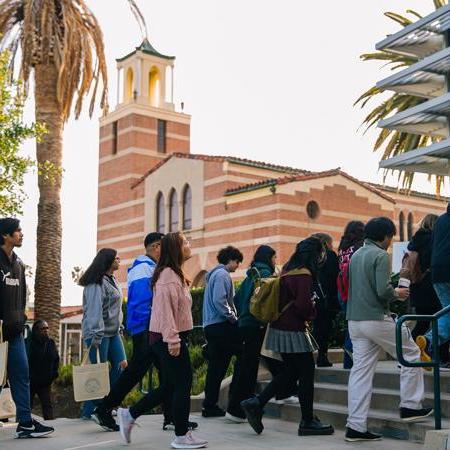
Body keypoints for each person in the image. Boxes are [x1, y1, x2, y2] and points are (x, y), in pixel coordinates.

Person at [92, 233, 196, 432]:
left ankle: (171, 417)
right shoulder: (143, 267)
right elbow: (142, 303)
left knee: (168, 376)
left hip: (154, 330)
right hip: (148, 330)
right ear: (156, 247)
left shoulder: (155, 268)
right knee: (137, 372)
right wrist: (157, 332)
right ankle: (105, 409)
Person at [116, 232, 208, 449]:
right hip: (168, 338)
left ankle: (129, 414)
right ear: (176, 248)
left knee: (170, 385)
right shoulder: (168, 275)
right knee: (183, 383)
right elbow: (165, 311)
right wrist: (173, 340)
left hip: (168, 337)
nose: (189, 244)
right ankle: (181, 435)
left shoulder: (173, 273)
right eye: (185, 242)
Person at [345, 217, 432, 442]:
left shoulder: (356, 255)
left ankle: (355, 426)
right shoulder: (380, 255)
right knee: (411, 353)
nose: (390, 241)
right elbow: (382, 291)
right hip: (376, 318)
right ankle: (411, 406)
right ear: (384, 236)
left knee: (360, 373)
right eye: (391, 237)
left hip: (354, 321)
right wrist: (398, 293)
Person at [241, 237, 334, 436]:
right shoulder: (303, 274)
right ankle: (307, 420)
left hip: (280, 327)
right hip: (293, 329)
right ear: (314, 254)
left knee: (290, 371)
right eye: (320, 252)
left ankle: (257, 403)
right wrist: (312, 313)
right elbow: (303, 306)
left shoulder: (289, 269)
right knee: (307, 373)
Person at [0, 218, 54, 438]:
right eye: (17, 231)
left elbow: (22, 296)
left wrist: (22, 318)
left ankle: (25, 423)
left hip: (15, 334)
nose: (21, 234)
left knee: (22, 375)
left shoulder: (18, 263)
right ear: (5, 235)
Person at [226, 245, 277, 421]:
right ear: (268, 258)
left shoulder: (250, 275)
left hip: (243, 324)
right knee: (249, 369)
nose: (275, 261)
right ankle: (238, 409)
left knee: (242, 366)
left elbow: (237, 300)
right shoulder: (265, 275)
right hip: (256, 325)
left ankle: (233, 407)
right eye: (274, 257)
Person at [80, 248, 127, 419]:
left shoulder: (112, 279)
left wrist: (119, 327)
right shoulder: (96, 283)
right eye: (116, 257)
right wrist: (96, 335)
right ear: (107, 261)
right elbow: (94, 310)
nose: (119, 259)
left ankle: (105, 404)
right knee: (99, 373)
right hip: (97, 333)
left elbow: (116, 308)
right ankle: (90, 411)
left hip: (113, 332)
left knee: (121, 366)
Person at [201, 245, 244, 418]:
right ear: (231, 259)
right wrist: (233, 317)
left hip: (211, 326)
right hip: (220, 325)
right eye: (237, 262)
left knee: (216, 368)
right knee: (243, 354)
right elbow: (220, 300)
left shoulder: (213, 275)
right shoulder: (222, 275)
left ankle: (209, 405)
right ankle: (233, 401)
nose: (238, 266)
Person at [407, 215, 450, 367]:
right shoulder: (429, 235)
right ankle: (431, 344)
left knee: (441, 314)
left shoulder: (441, 221)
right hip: (435, 279)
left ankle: (425, 346)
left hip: (434, 277)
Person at [337, 221, 365, 370]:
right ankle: (351, 362)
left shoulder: (343, 247)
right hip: (354, 290)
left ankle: (348, 363)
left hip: (342, 290)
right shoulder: (360, 246)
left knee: (350, 326)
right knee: (354, 328)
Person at [311, 233, 340, 367]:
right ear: (327, 244)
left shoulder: (310, 257)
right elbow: (335, 277)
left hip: (313, 298)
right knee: (325, 328)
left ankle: (318, 355)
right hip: (327, 298)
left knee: (317, 327)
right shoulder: (331, 256)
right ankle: (322, 356)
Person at [27, 320, 60, 420]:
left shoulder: (50, 343)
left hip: (45, 382)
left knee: (47, 407)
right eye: (43, 329)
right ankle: (24, 424)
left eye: (47, 328)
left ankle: (50, 426)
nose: (46, 331)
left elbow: (56, 359)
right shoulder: (28, 343)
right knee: (27, 406)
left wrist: (53, 375)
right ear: (36, 331)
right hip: (30, 382)